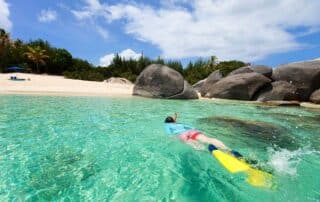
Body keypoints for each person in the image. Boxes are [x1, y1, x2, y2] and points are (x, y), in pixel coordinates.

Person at [164, 113, 233, 152]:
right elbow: (192, 127)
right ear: (174, 121)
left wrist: (172, 139)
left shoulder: (167, 125)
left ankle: (209, 151)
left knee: (198, 146)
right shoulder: (179, 124)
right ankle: (227, 149)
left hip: (182, 135)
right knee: (208, 140)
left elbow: (169, 134)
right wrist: (176, 117)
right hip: (191, 132)